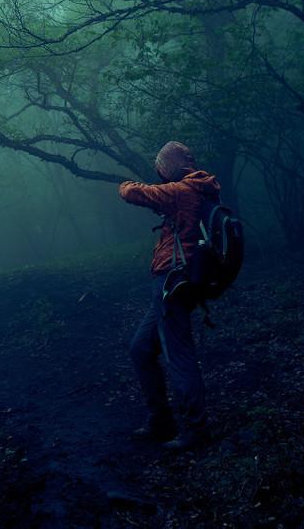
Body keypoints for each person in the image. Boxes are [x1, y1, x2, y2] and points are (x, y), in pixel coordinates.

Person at [118, 141, 220, 451]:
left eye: (162, 168)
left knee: (178, 355)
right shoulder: (201, 189)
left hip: (173, 280)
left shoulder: (182, 191)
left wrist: (125, 183)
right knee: (141, 349)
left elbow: (132, 193)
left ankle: (196, 430)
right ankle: (161, 422)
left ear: (170, 168)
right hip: (180, 280)